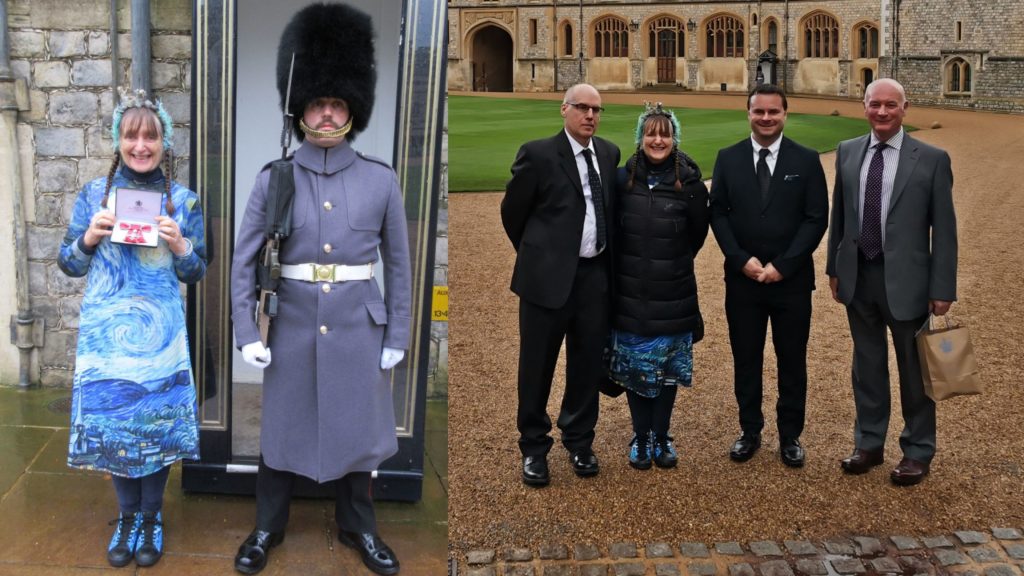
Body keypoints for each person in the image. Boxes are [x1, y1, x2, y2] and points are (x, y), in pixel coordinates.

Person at [229, 4, 411, 575]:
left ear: (352, 109)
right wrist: (243, 330)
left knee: (357, 431)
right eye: (317, 102)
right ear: (301, 107)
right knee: (280, 430)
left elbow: (400, 265)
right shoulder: (275, 177)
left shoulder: (380, 179)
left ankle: (359, 526)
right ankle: (267, 527)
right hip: (293, 319)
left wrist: (398, 331)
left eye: (337, 104)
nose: (328, 113)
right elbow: (243, 261)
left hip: (359, 323)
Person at [57, 87, 208, 568]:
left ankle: (152, 516)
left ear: (165, 143)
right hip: (107, 338)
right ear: (117, 140)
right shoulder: (92, 197)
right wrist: (87, 238)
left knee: (155, 428)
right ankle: (126, 517)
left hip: (160, 337)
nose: (140, 146)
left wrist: (182, 244)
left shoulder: (184, 202)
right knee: (117, 428)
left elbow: (196, 272)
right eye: (131, 136)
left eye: (151, 137)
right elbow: (69, 264)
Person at [826, 78, 957, 486]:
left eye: (890, 105)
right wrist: (834, 267)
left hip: (908, 280)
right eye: (874, 104)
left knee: (914, 370)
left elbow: (945, 229)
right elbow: (840, 216)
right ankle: (869, 443)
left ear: (905, 108)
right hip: (859, 274)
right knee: (866, 366)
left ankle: (917, 450)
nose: (882, 112)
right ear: (864, 107)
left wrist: (942, 288)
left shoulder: (932, 158)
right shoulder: (848, 151)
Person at [501, 83, 621, 486]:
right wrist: (540, 255)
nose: (590, 116)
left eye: (596, 110)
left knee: (587, 364)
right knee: (537, 367)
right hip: (546, 279)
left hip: (593, 277)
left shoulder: (608, 153)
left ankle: (579, 440)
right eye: (583, 108)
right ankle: (534, 448)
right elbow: (513, 212)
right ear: (564, 110)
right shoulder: (537, 154)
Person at [709, 84, 829, 468]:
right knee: (746, 359)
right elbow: (719, 214)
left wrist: (785, 264)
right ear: (748, 114)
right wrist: (740, 258)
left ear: (784, 114)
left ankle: (790, 435)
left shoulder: (807, 160)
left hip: (790, 282)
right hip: (743, 280)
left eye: (773, 112)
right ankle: (750, 430)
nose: (766, 118)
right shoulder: (727, 158)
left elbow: (816, 218)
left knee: (791, 360)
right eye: (759, 112)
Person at [609, 103, 709, 470]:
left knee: (666, 373)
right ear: (640, 137)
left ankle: (661, 435)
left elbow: (697, 237)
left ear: (674, 138)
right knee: (637, 371)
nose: (657, 139)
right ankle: (641, 435)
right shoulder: (622, 180)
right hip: (631, 293)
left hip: (674, 293)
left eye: (664, 133)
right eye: (650, 133)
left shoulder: (691, 184)